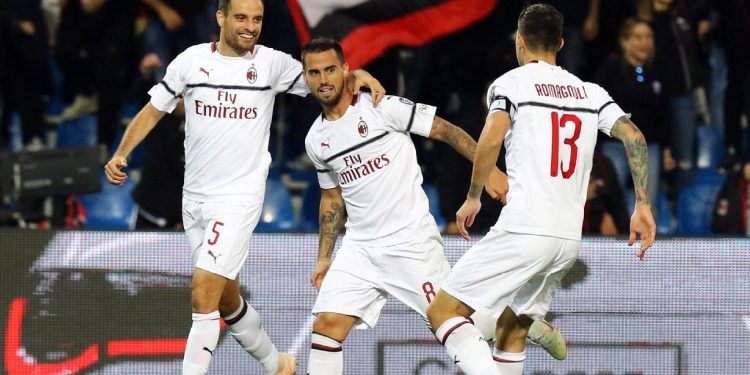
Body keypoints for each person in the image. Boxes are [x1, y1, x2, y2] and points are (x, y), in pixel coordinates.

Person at [103, 0, 384, 374]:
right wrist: (122, 152)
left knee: (203, 291)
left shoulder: (272, 64)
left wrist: (357, 74)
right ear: (221, 18)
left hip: (238, 198)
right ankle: (277, 363)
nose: (250, 26)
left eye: (257, 19)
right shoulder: (190, 62)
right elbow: (154, 109)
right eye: (241, 17)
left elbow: (324, 80)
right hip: (196, 200)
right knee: (225, 300)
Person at [300, 37, 566, 375]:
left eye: (330, 70)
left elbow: (447, 131)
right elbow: (332, 198)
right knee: (327, 327)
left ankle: (519, 322)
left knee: (450, 319)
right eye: (315, 73)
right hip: (360, 248)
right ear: (306, 77)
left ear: (346, 70)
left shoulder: (383, 106)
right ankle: (517, 321)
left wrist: (491, 174)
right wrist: (325, 256)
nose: (324, 79)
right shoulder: (315, 140)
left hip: (410, 240)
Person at [425, 4, 656, 374]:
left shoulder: (510, 83)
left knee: (442, 311)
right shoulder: (590, 92)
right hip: (567, 239)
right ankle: (530, 325)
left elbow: (491, 137)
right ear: (561, 44)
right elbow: (635, 137)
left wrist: (473, 195)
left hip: (524, 229)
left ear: (520, 42)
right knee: (511, 328)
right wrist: (642, 204)